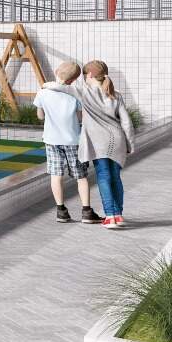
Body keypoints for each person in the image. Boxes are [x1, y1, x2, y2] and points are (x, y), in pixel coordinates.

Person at [45, 60, 136, 229]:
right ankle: (118, 214)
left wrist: (46, 84)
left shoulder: (84, 92)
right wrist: (130, 144)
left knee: (104, 177)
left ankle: (110, 216)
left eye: (85, 75)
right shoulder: (115, 94)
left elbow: (60, 87)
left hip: (99, 144)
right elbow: (126, 123)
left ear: (91, 75)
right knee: (115, 177)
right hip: (118, 141)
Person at [33, 61, 102, 224]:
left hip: (51, 141)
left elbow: (40, 116)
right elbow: (80, 117)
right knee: (81, 176)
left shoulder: (42, 92)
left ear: (57, 71)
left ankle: (61, 211)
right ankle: (86, 212)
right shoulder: (75, 94)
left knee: (56, 175)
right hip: (73, 141)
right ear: (73, 80)